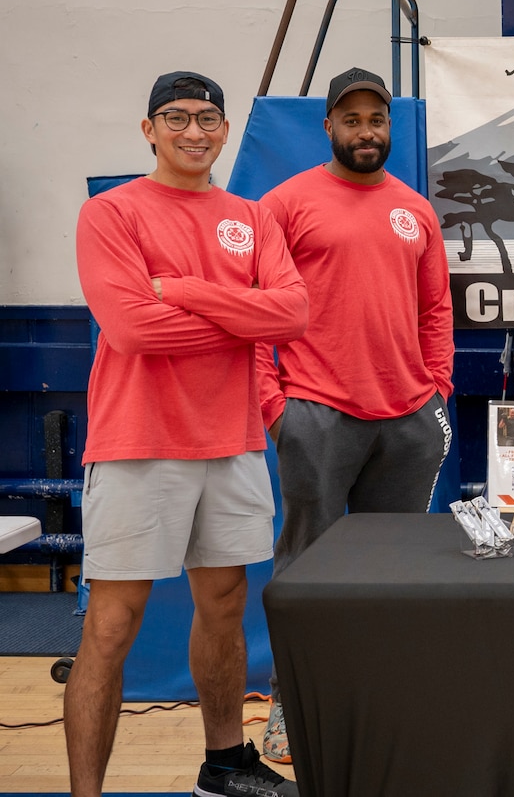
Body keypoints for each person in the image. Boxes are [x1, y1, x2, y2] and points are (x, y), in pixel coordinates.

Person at [69, 71, 307, 797]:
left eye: (208, 118)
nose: (194, 132)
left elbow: (293, 315)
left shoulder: (253, 217)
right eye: (176, 118)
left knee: (227, 603)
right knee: (113, 624)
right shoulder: (112, 213)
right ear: (149, 129)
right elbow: (134, 328)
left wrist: (187, 293)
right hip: (137, 441)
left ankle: (223, 764)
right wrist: (242, 315)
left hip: (232, 443)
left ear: (227, 130)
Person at [256, 66, 455, 763]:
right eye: (352, 119)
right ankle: (292, 708)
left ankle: (383, 702)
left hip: (408, 419)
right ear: (328, 127)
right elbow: (255, 312)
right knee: (305, 567)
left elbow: (435, 308)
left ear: (389, 128)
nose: (365, 131)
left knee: (395, 569)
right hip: (316, 412)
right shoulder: (284, 204)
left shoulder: (414, 209)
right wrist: (275, 408)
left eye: (376, 120)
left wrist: (438, 392)